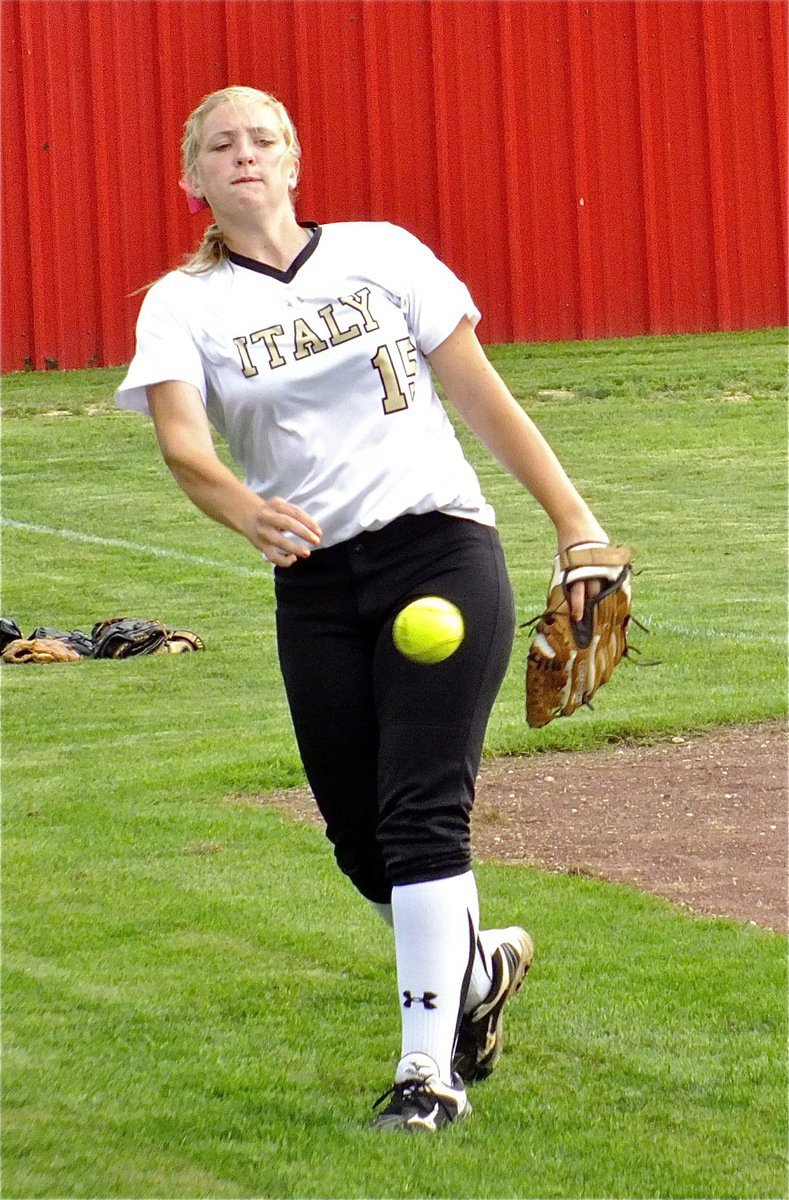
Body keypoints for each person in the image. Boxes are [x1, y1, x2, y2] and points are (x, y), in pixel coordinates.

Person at [116, 85, 609, 1133]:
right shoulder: (182, 304)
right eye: (220, 144)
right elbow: (182, 443)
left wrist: (576, 524)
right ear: (190, 178)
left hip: (440, 549)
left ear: (295, 158)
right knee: (360, 841)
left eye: (263, 138)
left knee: (421, 811)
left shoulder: (382, 253)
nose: (243, 154)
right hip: (319, 581)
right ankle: (477, 966)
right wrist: (241, 506)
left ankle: (427, 1074)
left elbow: (481, 394)